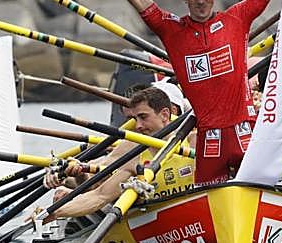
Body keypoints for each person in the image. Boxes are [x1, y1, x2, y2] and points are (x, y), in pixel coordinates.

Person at [113, 0, 282, 184]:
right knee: (208, 202)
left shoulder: (238, 17)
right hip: (209, 140)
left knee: (270, 188)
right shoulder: (170, 29)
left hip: (247, 131)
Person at [42, 87, 195, 217]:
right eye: (135, 119)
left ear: (165, 115)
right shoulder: (134, 156)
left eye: (143, 117)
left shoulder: (195, 141)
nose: (138, 126)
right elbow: (99, 196)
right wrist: (53, 213)